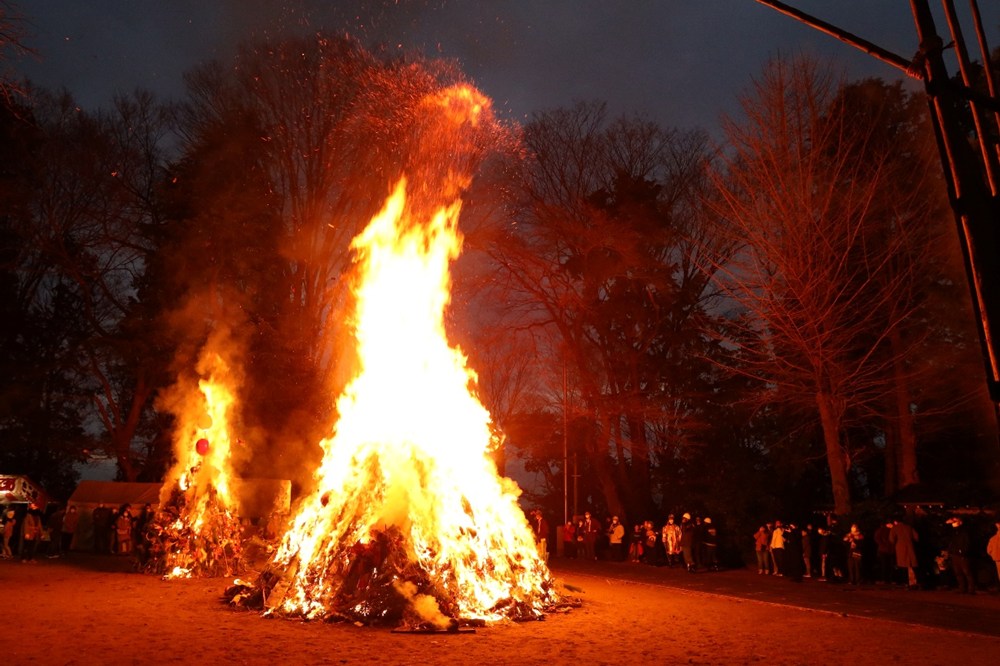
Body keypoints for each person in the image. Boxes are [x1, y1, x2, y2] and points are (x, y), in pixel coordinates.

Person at [946, 516, 975, 594]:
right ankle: (962, 588)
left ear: (960, 522)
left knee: (967, 572)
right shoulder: (953, 532)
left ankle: (971, 589)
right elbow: (949, 537)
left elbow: (967, 543)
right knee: (958, 573)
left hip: (962, 556)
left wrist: (962, 552)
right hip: (954, 554)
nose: (953, 522)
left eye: (956, 520)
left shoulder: (964, 532)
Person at [890, 518, 920, 589]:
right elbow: (916, 537)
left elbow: (891, 539)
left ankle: (905, 581)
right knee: (912, 563)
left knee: (902, 565)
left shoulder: (895, 528)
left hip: (900, 547)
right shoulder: (909, 527)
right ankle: (915, 581)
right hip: (910, 546)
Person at [874, 520, 894, 584]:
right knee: (885, 565)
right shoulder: (882, 530)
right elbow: (877, 538)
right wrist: (883, 544)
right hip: (885, 550)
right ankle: (885, 579)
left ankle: (887, 579)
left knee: (887, 565)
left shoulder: (891, 530)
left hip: (887, 550)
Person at [987, 521, 1000, 589]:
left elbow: (989, 550)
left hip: (998, 559)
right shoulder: (993, 539)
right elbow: (989, 550)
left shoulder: (993, 538)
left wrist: (994, 554)